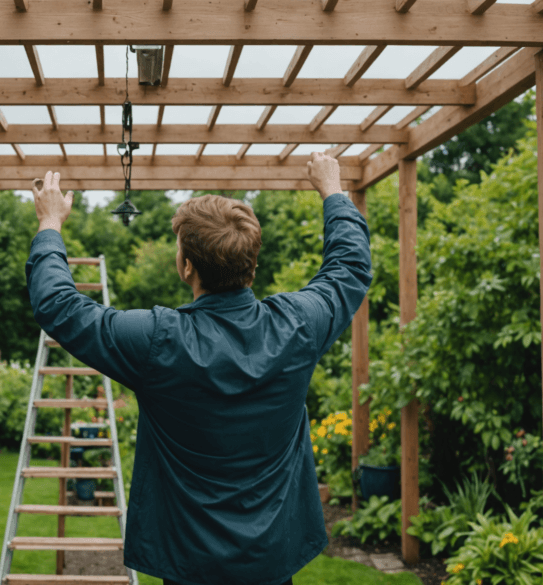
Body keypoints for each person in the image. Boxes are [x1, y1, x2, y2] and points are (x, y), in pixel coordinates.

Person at [26, 152, 372, 585]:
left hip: (189, 564)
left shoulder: (157, 341)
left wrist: (50, 223)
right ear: (253, 265)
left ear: (186, 266)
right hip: (271, 561)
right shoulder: (297, 326)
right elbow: (349, 267)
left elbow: (59, 306)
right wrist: (334, 193)